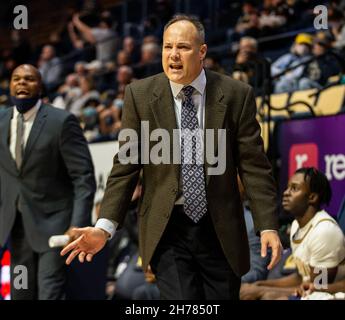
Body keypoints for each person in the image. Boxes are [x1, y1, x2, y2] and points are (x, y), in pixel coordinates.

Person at [61, 15, 282, 300]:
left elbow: (254, 167)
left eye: (183, 47)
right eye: (167, 47)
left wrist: (267, 226)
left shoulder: (236, 94)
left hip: (221, 229)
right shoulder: (140, 95)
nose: (173, 56)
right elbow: (125, 167)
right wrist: (104, 227)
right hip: (168, 229)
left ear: (202, 52)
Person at [0, 64, 96, 299]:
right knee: (21, 294)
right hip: (16, 228)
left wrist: (76, 224)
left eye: (29, 79)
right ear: (10, 84)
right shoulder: (1, 120)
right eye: (16, 78)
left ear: (40, 86)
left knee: (49, 293)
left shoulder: (61, 122)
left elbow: (83, 177)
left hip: (55, 229)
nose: (22, 83)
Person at [240, 167, 345, 300]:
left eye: (294, 188)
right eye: (287, 187)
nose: (286, 193)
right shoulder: (296, 225)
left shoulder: (324, 231)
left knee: (269, 297)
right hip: (312, 290)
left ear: (312, 197)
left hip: (329, 294)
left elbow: (318, 286)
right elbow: (301, 277)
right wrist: (260, 284)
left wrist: (260, 290)